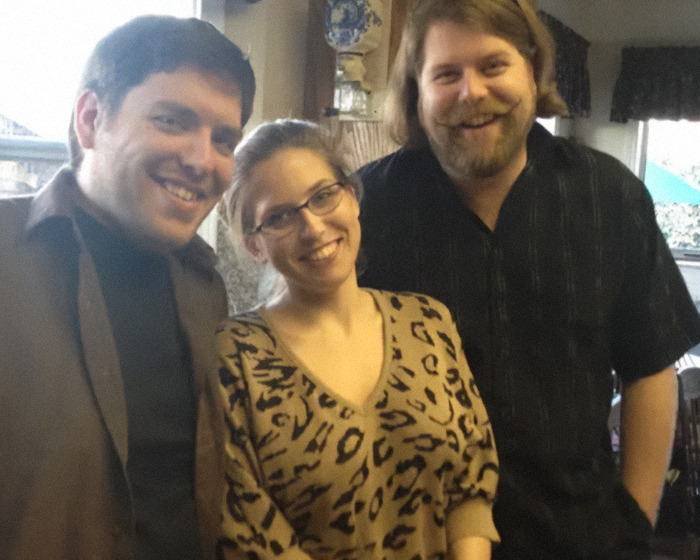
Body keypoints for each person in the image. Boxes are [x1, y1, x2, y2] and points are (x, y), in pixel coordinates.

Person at [356, 0, 700, 558]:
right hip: (410, 539)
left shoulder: (608, 195)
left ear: (534, 70)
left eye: (493, 66)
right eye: (446, 74)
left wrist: (635, 522)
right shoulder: (365, 209)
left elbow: (650, 368)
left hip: (580, 539)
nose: (471, 92)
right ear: (415, 92)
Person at [0, 15, 254, 560]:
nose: (201, 159)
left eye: (225, 140)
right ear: (90, 119)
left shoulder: (204, 285)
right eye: (172, 121)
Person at [216, 119, 500, 559]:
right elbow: (251, 535)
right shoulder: (233, 358)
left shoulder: (428, 323)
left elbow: (469, 490)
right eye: (279, 216)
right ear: (255, 246)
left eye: (323, 195)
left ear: (352, 196)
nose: (311, 227)